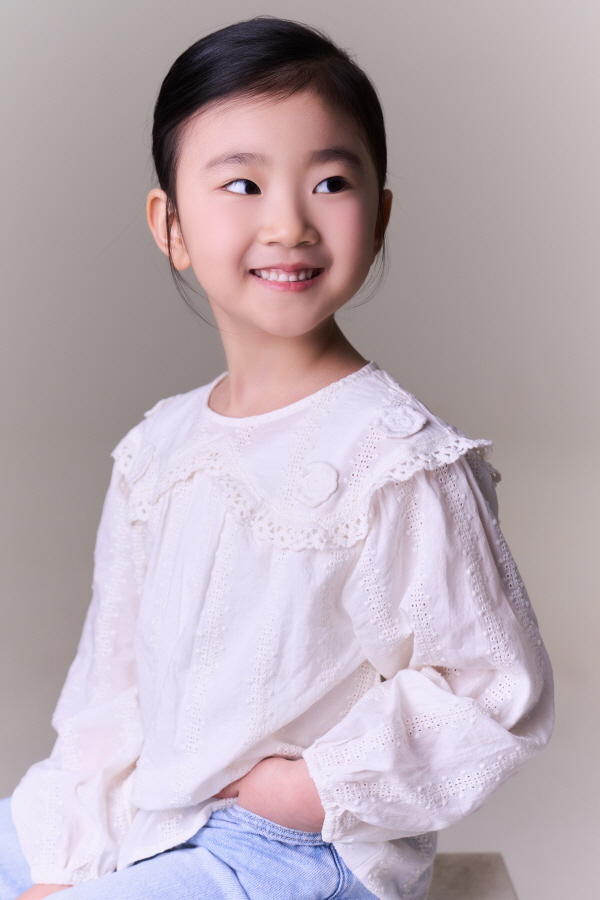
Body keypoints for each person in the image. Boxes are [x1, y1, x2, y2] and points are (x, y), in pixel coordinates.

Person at [0, 16, 553, 900]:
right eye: (243, 185)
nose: (289, 223)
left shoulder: (396, 456)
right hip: (154, 806)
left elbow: (493, 685)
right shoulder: (156, 448)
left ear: (379, 216)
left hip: (298, 848)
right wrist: (70, 848)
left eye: (330, 182)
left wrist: (312, 789)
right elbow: (112, 682)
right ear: (172, 227)